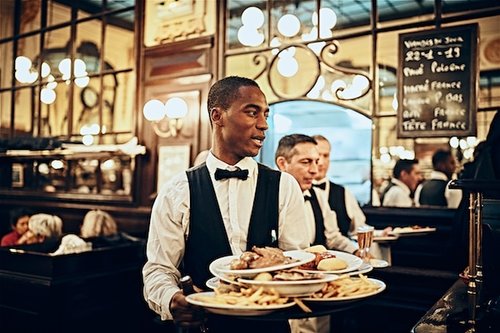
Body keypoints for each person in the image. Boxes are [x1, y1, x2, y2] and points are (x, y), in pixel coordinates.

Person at [142, 76, 309, 333]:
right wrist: (172, 299)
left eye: (265, 114)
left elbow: (297, 263)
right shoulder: (177, 191)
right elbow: (159, 270)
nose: (264, 125)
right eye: (252, 113)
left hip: (270, 327)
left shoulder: (284, 186)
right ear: (217, 116)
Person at [275, 133, 358, 333]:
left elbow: (333, 236)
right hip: (280, 295)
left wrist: (357, 252)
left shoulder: (319, 196)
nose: (315, 170)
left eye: (317, 161)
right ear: (282, 163)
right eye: (306, 162)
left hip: (317, 289)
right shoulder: (269, 196)